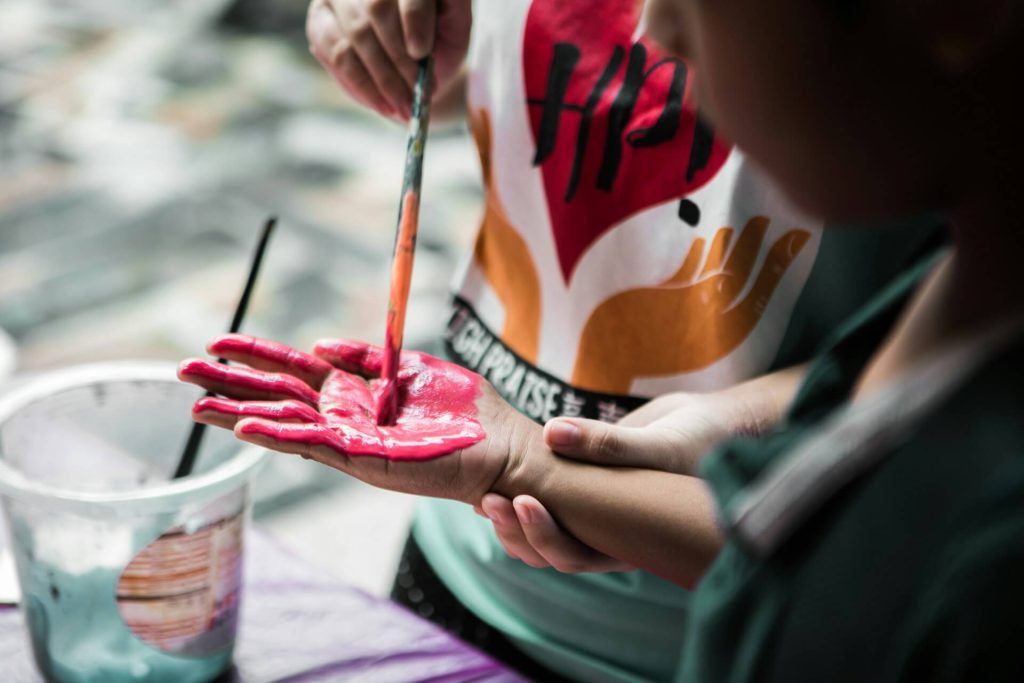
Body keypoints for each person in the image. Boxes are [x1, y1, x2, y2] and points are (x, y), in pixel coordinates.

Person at [295, 1, 942, 681]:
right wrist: (401, 53)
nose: (650, 32)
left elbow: (954, 353)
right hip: (460, 559)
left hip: (703, 627)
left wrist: (558, 468)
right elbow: (506, 77)